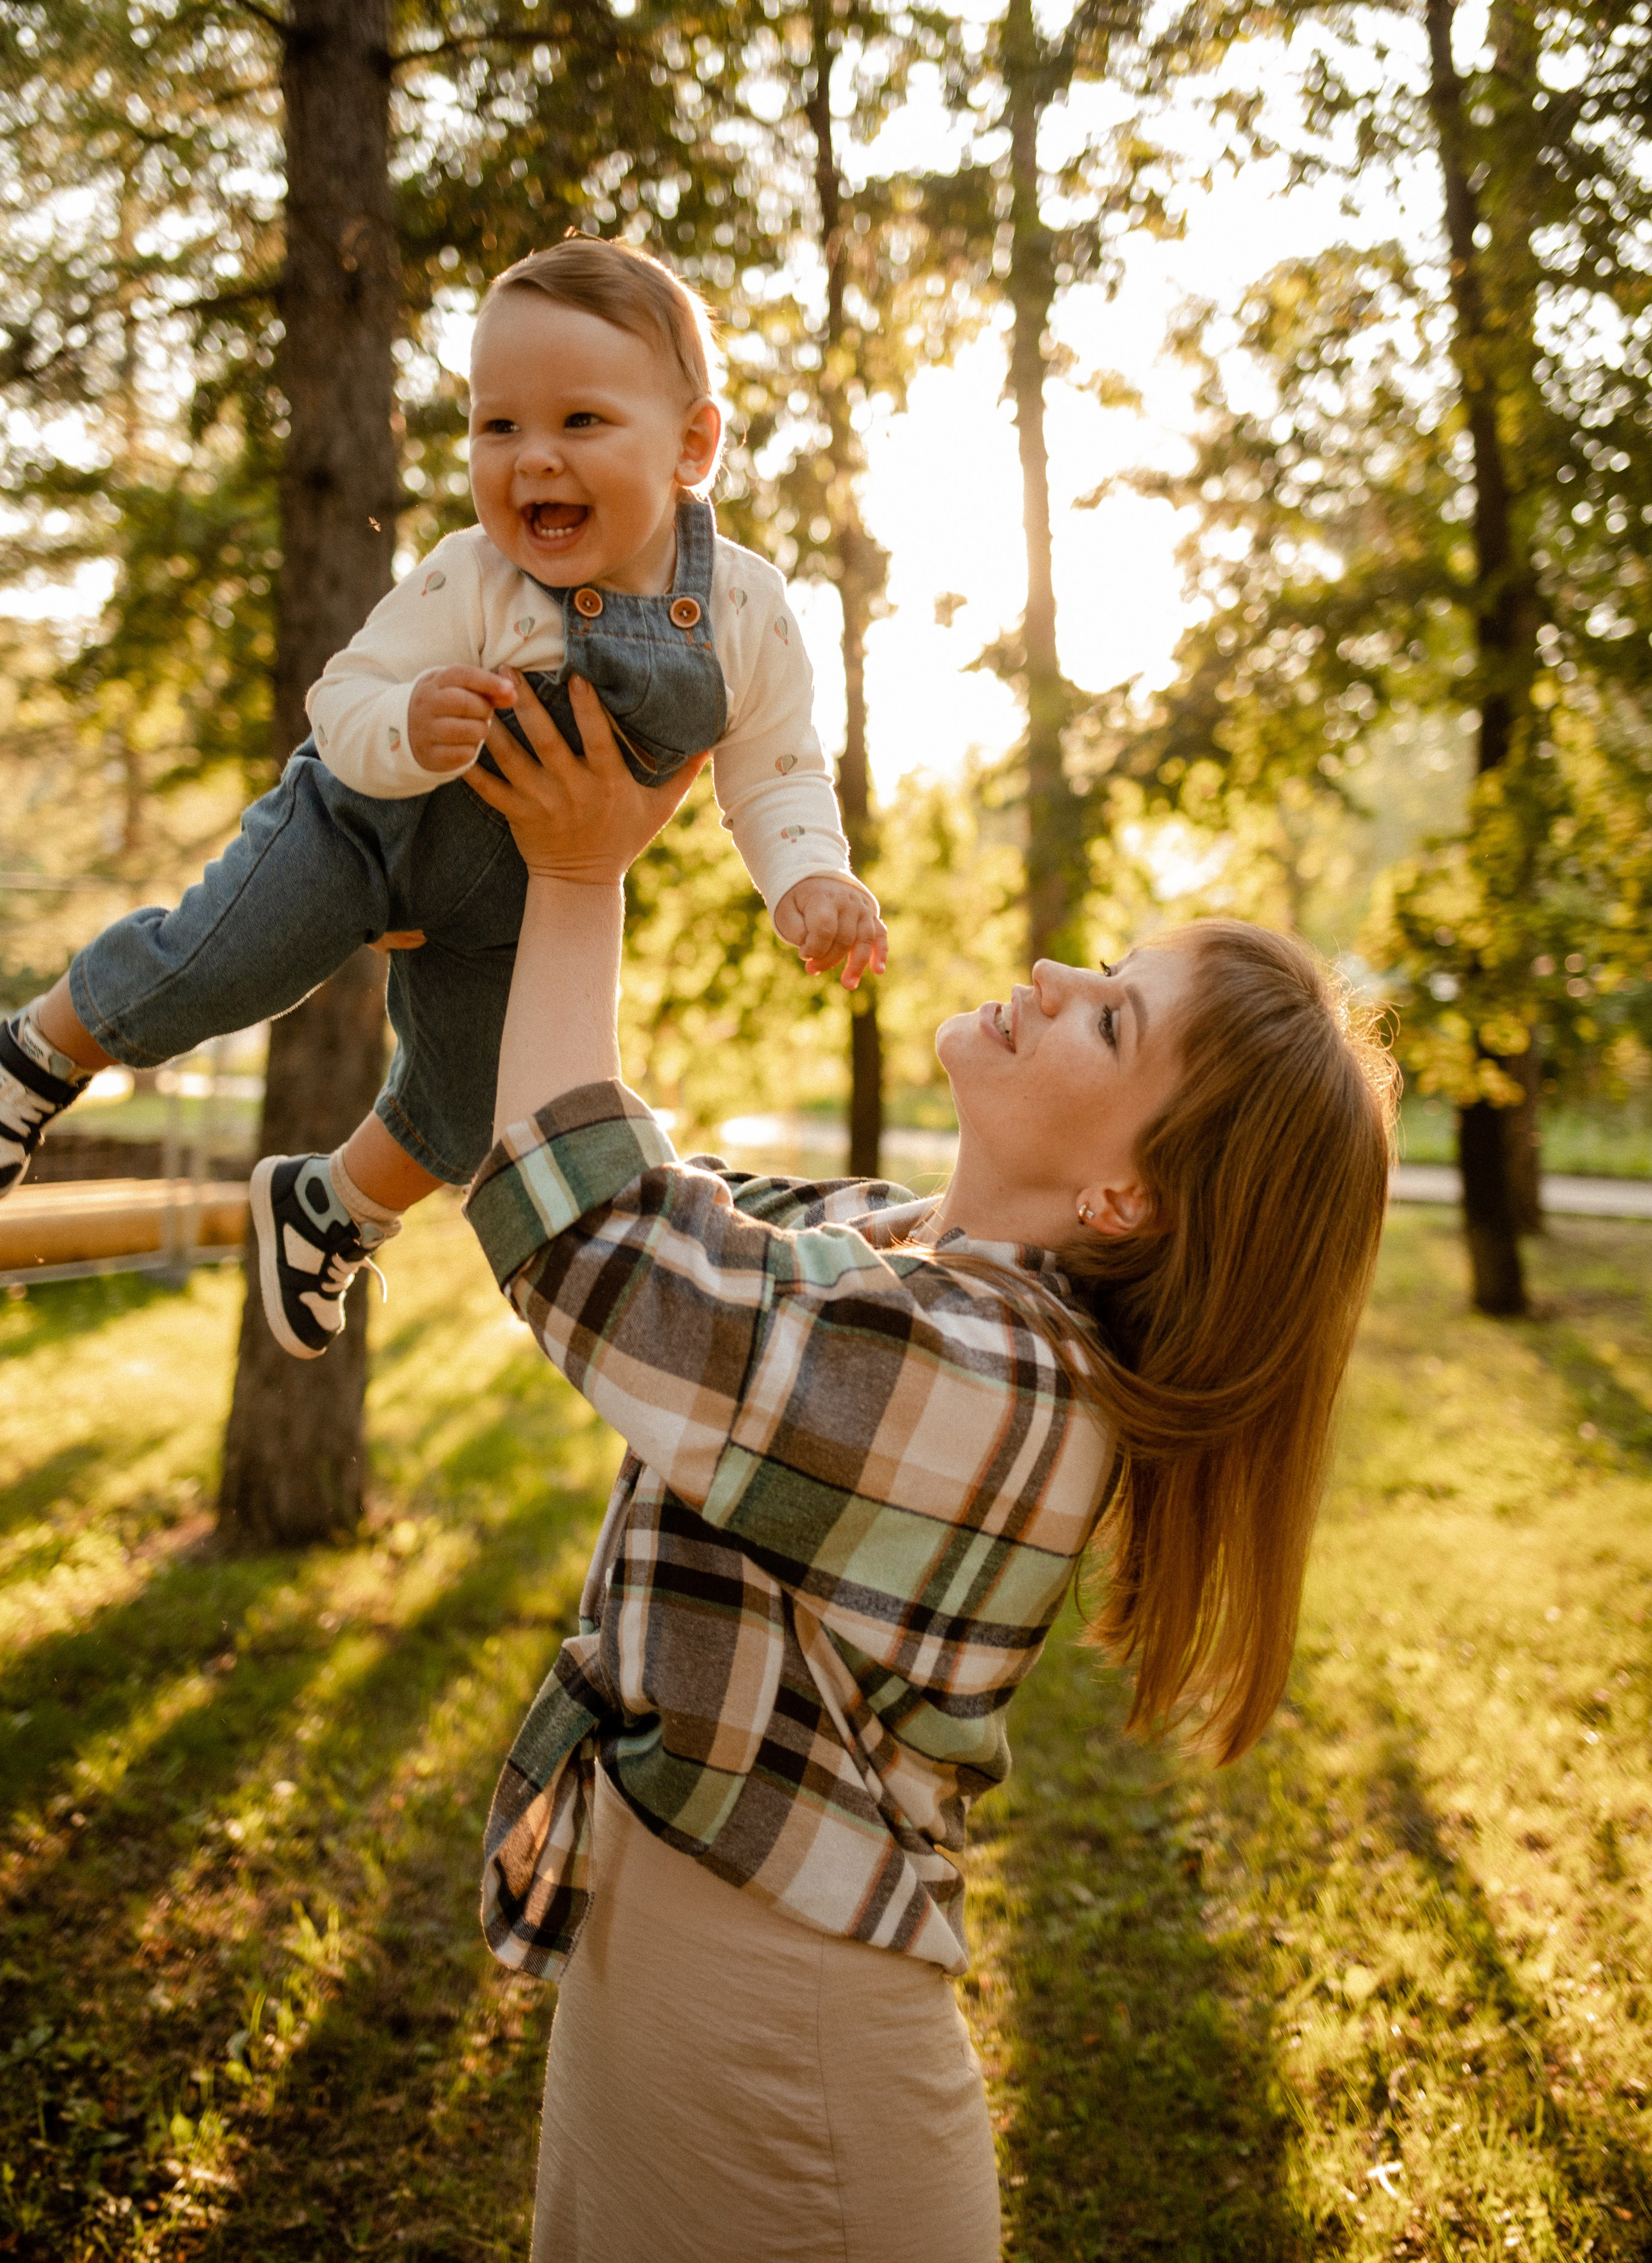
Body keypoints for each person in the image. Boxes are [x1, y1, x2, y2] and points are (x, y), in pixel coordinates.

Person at [457, 677, 1399, 2263]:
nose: (1048, 976)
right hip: (684, 1956)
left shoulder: (1010, 1386)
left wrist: (579, 874)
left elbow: (590, 1235)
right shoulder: (896, 1244)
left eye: (1111, 1015)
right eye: (1104, 967)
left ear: (1124, 1198)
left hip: (784, 2044)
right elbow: (627, 1161)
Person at [0, 238, 883, 1359]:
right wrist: (410, 722)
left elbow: (776, 766)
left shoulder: (746, 614)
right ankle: (37, 1053)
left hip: (513, 899)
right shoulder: (475, 574)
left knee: (475, 1111)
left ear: (691, 448)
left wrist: (810, 874)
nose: (532, 460)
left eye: (580, 423)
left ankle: (331, 1209)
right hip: (361, 830)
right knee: (220, 968)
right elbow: (343, 696)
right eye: (497, 426)